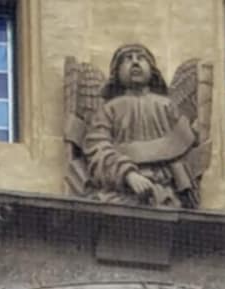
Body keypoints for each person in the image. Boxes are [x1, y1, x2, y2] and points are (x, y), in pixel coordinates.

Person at [83, 45, 200, 209]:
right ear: (117, 72)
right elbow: (98, 148)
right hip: (120, 193)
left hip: (165, 194)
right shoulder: (109, 109)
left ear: (152, 70)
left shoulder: (167, 106)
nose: (135, 62)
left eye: (141, 58)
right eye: (127, 59)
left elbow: (182, 149)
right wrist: (128, 174)